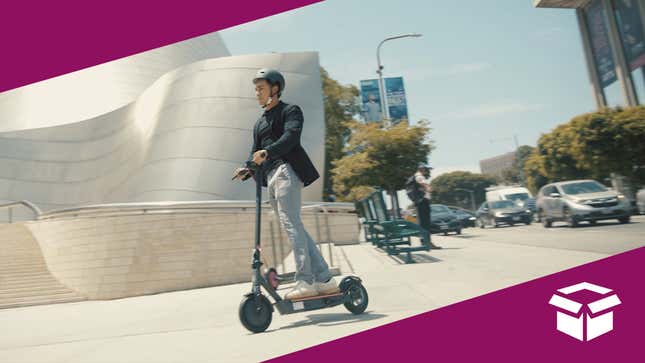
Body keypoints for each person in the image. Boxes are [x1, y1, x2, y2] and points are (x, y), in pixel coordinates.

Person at [233, 69, 338, 300]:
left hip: (286, 170)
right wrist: (247, 168)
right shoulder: (259, 123)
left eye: (261, 88)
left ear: (275, 89)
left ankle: (305, 280)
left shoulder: (290, 111)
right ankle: (325, 279)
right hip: (270, 176)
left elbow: (291, 137)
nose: (257, 93)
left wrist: (267, 152)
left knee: (291, 224)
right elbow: (254, 153)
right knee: (294, 226)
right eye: (256, 89)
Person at [413, 164, 442, 249]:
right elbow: (424, 184)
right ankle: (427, 242)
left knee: (423, 223)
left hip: (420, 202)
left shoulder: (417, 176)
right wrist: (429, 188)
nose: (426, 172)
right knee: (425, 223)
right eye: (426, 170)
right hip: (423, 202)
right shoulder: (419, 176)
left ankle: (425, 241)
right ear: (422, 170)